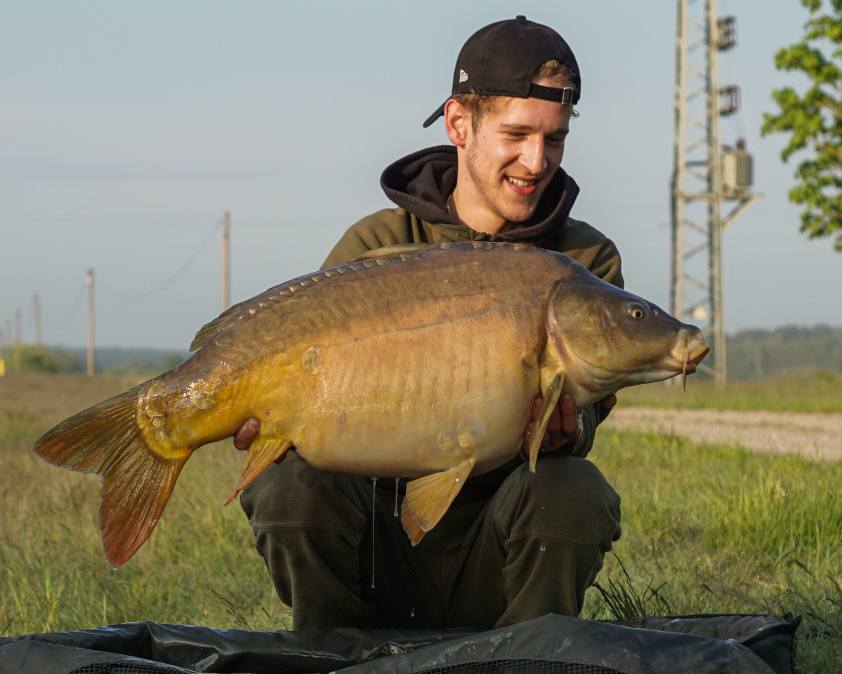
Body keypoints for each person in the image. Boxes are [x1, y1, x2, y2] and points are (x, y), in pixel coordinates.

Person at [235, 15, 622, 630]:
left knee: (574, 489)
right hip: (376, 543)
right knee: (286, 488)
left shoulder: (581, 264)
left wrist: (567, 433)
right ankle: (336, 654)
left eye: (555, 139)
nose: (536, 160)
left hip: (498, 547)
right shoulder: (374, 245)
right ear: (459, 123)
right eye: (516, 134)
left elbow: (591, 413)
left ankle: (526, 654)